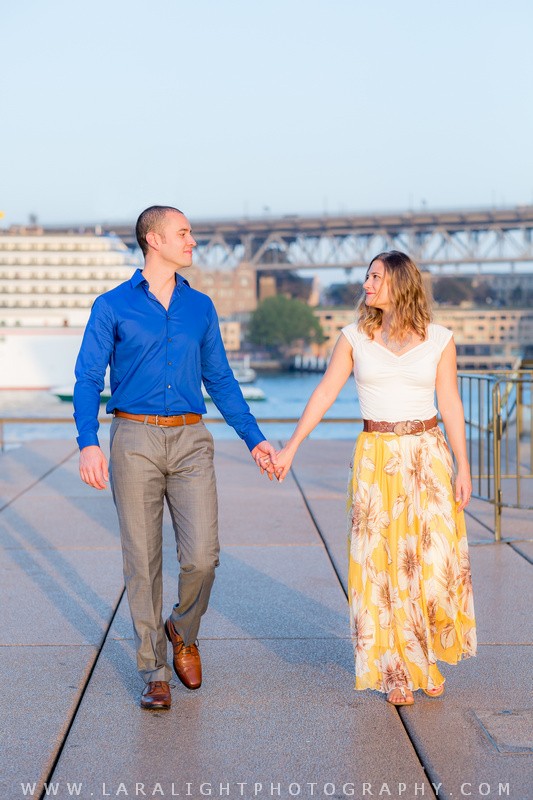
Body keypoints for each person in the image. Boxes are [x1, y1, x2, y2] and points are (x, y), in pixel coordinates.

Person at [73, 205, 277, 711]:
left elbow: (221, 380)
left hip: (190, 441)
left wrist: (255, 439)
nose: (192, 241)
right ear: (153, 239)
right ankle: (154, 669)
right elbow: (86, 378)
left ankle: (182, 630)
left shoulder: (201, 307)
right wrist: (88, 442)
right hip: (133, 439)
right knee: (142, 561)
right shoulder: (112, 306)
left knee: (203, 556)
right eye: (183, 233)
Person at [274, 251, 477, 705]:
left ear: (400, 284)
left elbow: (451, 404)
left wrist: (464, 466)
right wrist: (291, 447)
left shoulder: (440, 339)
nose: (366, 285)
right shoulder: (354, 338)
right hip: (375, 457)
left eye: (375, 278)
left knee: (432, 562)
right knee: (381, 564)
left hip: (428, 456)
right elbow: (325, 392)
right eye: (366, 277)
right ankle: (396, 669)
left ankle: (426, 653)